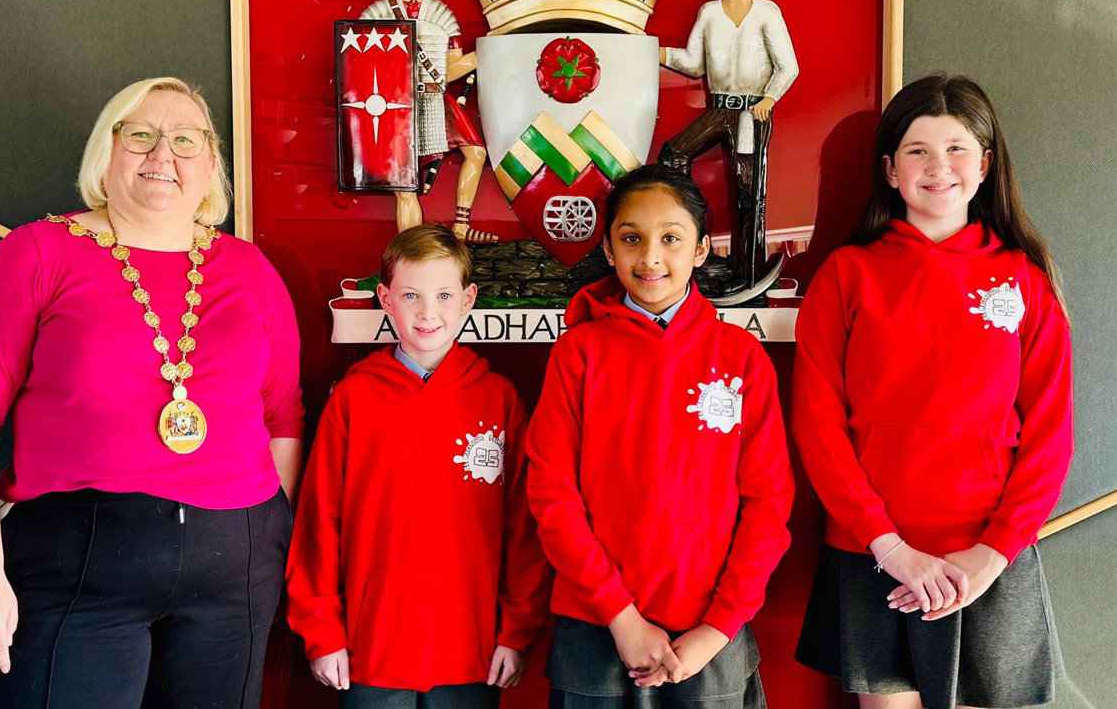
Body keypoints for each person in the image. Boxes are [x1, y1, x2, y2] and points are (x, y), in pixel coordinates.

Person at [0, 77, 304, 708]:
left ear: (211, 164)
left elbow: (283, 417)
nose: (164, 155)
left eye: (185, 139)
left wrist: (262, 544)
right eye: (141, 136)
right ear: (107, 153)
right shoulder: (37, 254)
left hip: (232, 574)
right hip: (76, 567)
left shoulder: (251, 271)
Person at [792, 74, 1073, 709]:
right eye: (918, 150)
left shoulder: (1024, 281)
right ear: (890, 170)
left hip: (988, 555)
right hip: (876, 552)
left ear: (986, 165)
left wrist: (993, 553)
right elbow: (818, 425)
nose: (938, 167)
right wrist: (888, 545)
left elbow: (1051, 435)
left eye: (956, 148)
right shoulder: (848, 274)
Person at [526, 164, 794, 708]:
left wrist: (717, 629)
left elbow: (768, 505)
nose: (650, 257)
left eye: (671, 238)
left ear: (700, 250)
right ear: (608, 249)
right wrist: (622, 618)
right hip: (597, 626)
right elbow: (553, 498)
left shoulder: (741, 358)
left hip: (710, 631)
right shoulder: (577, 355)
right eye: (631, 238)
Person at [285, 224, 550, 708]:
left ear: (468, 299)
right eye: (411, 295)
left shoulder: (498, 399)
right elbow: (319, 522)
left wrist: (517, 629)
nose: (428, 313)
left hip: (474, 652)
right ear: (385, 300)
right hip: (372, 651)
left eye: (444, 295)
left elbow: (523, 529)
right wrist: (322, 632)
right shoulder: (354, 399)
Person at [658, 0, 799, 292]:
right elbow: (695, 64)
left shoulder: (766, 12)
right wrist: (660, 54)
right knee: (674, 153)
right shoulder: (709, 12)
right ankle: (691, 244)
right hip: (719, 108)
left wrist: (770, 97)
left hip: (752, 112)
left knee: (749, 192)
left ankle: (748, 269)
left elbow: (788, 66)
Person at [359, 0, 495, 243]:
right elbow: (360, 62)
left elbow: (450, 69)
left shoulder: (442, 13)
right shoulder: (377, 12)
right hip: (394, 106)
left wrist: (484, 54)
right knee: (404, 182)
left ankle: (461, 225)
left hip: (433, 97)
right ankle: (410, 250)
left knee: (476, 153)